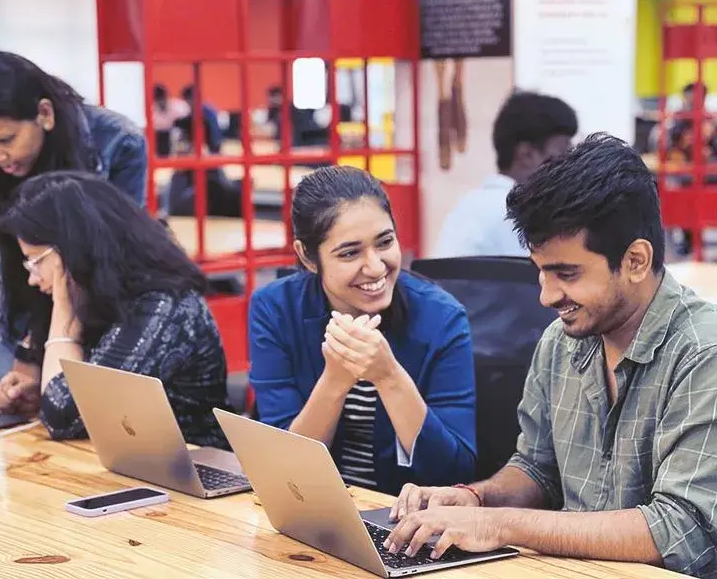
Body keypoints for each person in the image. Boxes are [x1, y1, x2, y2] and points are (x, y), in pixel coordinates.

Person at [384, 134, 717, 577]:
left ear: (636, 261)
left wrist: (496, 524)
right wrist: (475, 498)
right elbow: (538, 470)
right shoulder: (561, 342)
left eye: (566, 274)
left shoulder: (702, 353)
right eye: (540, 271)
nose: (545, 296)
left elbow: (680, 530)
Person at [0, 50, 148, 415]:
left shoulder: (117, 143)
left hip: (96, 328)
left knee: (83, 448)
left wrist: (34, 349)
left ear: (44, 114)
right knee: (12, 442)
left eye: (6, 140)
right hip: (19, 321)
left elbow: (105, 261)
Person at [248, 166, 476, 496]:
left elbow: (452, 473)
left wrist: (389, 377)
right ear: (307, 257)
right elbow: (285, 470)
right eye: (350, 253)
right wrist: (336, 379)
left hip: (402, 519)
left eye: (385, 242)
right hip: (311, 510)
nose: (375, 266)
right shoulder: (275, 309)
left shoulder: (443, 318)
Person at [0, 171, 232, 446]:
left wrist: (64, 315)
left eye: (36, 262)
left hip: (193, 469)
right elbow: (44, 390)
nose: (33, 278)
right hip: (123, 462)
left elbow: (64, 417)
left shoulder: (162, 307)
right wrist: (29, 395)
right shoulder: (93, 295)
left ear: (74, 250)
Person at [432, 90, 577, 258]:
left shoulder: (469, 204)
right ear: (527, 155)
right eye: (564, 151)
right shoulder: (519, 212)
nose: (571, 162)